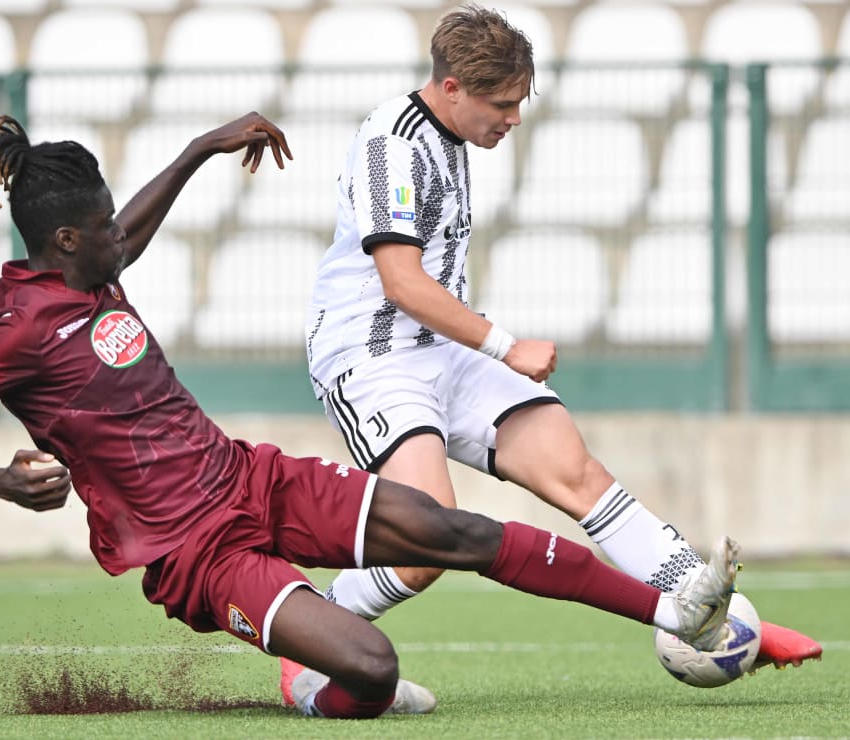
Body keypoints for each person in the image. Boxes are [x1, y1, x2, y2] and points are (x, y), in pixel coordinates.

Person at [0, 112, 741, 719]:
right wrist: (0, 486)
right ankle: (319, 689)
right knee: (372, 669)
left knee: (452, 531)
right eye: (101, 227)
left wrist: (199, 150)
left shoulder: (88, 268)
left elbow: (130, 230)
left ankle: (670, 611)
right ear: (67, 242)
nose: (119, 234)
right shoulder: (19, 328)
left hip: (249, 477)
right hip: (197, 551)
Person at [297, 3, 821, 705]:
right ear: (452, 88)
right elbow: (401, 283)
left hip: (442, 348)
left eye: (518, 102)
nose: (513, 119)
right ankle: (310, 626)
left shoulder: (452, 136)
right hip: (371, 354)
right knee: (425, 545)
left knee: (575, 468)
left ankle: (709, 616)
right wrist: (506, 346)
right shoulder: (392, 144)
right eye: (502, 104)